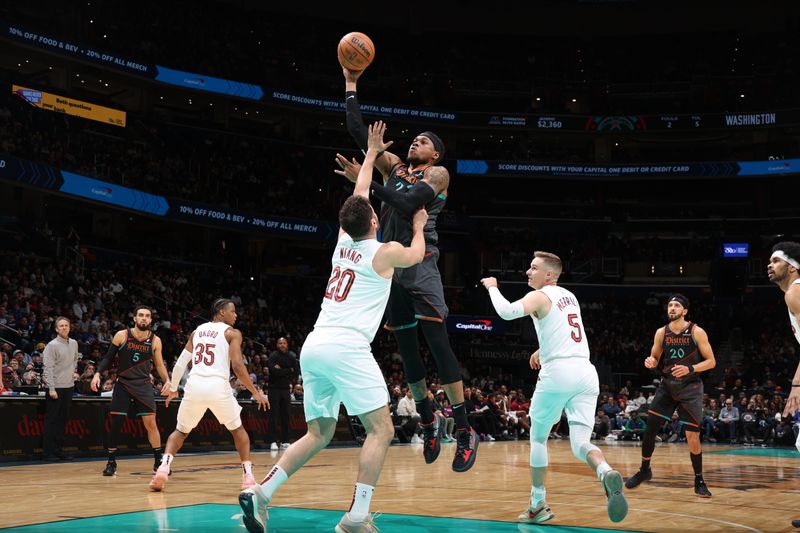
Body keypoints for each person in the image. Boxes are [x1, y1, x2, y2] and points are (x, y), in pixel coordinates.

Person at [240, 121, 428, 533]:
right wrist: (418, 224)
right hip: (346, 347)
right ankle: (357, 516)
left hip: (315, 344)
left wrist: (371, 158)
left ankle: (260, 493)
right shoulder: (383, 252)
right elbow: (417, 254)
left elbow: (359, 195)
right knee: (382, 429)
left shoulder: (344, 240)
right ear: (375, 221)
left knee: (319, 432)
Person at [336, 67, 478, 472]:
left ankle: (465, 429)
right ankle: (428, 416)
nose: (415, 142)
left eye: (424, 141)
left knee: (436, 341)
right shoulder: (393, 165)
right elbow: (355, 128)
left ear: (434, 154)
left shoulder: (437, 174)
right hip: (389, 264)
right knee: (405, 348)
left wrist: (363, 177)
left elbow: (406, 203)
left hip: (421, 260)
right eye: (414, 139)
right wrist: (351, 82)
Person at [481, 251, 627, 524]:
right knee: (581, 443)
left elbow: (507, 312)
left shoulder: (541, 295)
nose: (528, 272)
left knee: (537, 438)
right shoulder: (569, 296)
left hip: (559, 372)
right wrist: (542, 348)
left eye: (533, 268)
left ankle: (537, 505)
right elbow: (564, 330)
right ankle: (605, 471)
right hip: (585, 372)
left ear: (549, 275)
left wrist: (492, 287)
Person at [149, 299, 269, 492]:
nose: (236, 315)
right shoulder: (232, 333)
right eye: (233, 311)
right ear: (221, 312)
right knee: (239, 431)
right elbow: (238, 366)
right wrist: (256, 393)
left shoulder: (197, 332)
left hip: (194, 385)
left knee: (180, 432)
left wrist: (172, 388)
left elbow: (180, 363)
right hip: (217, 386)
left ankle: (163, 468)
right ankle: (248, 477)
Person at [625, 294, 715, 498]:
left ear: (685, 311)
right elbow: (655, 358)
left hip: (690, 388)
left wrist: (691, 368)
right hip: (667, 386)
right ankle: (644, 470)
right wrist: (651, 362)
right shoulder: (661, 333)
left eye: (677, 306)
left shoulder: (696, 331)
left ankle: (699, 480)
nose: (672, 308)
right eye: (670, 305)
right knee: (650, 429)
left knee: (693, 437)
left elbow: (711, 362)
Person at [91, 305, 172, 476]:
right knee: (116, 424)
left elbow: (158, 364)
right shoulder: (122, 335)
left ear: (150, 320)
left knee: (151, 423)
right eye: (141, 315)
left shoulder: (155, 340)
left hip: (143, 385)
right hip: (123, 384)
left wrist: (167, 380)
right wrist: (97, 373)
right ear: (134, 318)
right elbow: (108, 358)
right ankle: (111, 462)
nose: (144, 318)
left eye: (147, 316)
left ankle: (158, 462)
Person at [766, 241, 800, 529]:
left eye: (775, 260)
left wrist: (797, 383)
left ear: (791, 266)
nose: (769, 265)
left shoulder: (796, 291)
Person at [42, 317, 79, 461]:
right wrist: (51, 388)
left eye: (66, 325)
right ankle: (48, 453)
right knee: (52, 421)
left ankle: (58, 451)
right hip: (55, 388)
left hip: (68, 387)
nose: (64, 327)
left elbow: (75, 359)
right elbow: (48, 368)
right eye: (61, 326)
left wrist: (73, 371)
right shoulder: (51, 345)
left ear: (69, 327)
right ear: (56, 329)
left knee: (63, 420)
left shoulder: (74, 343)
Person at [266, 337, 299, 451]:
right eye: (280, 343)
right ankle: (273, 441)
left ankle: (285, 441)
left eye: (284, 343)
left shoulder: (292, 356)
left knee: (286, 416)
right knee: (273, 416)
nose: (282, 345)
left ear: (287, 344)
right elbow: (274, 371)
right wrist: (288, 370)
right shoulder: (273, 356)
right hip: (273, 389)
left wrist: (284, 372)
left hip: (286, 389)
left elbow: (296, 372)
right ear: (277, 345)